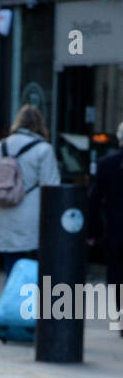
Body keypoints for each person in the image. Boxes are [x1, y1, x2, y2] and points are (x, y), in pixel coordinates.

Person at [0, 104, 60, 275]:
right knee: (33, 266)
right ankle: (29, 300)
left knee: (11, 265)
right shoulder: (44, 150)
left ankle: (14, 298)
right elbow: (51, 188)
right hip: (32, 216)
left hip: (2, 211)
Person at [86, 119, 123, 311]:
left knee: (116, 274)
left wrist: (91, 232)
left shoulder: (106, 164)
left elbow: (94, 200)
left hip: (116, 231)